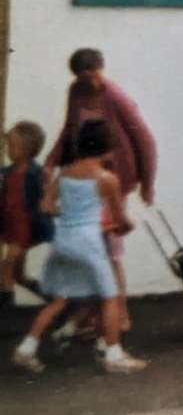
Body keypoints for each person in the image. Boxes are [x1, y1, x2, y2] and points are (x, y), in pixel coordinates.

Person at [12, 122, 146, 374]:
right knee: (110, 297)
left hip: (63, 240)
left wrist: (74, 218)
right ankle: (114, 355)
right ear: (107, 149)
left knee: (59, 300)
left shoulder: (64, 174)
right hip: (88, 243)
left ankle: (26, 349)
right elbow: (119, 221)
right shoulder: (108, 179)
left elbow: (46, 207)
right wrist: (126, 226)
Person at [44, 48, 157, 333]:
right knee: (93, 247)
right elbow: (69, 130)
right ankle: (95, 313)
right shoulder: (76, 91)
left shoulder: (114, 96)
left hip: (113, 177)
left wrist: (148, 183)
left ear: (101, 69)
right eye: (86, 77)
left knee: (109, 247)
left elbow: (144, 139)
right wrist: (51, 160)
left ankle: (120, 314)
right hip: (86, 176)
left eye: (95, 74)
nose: (93, 81)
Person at [0, 121, 46, 309]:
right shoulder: (9, 171)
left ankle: (6, 313)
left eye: (12, 146)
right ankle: (54, 299)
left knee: (6, 269)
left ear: (26, 151)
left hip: (25, 228)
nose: (8, 150)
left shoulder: (34, 174)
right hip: (12, 226)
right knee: (18, 275)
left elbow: (43, 200)